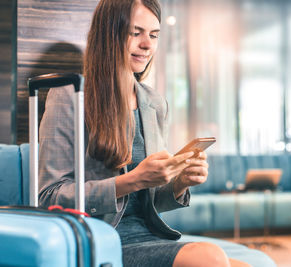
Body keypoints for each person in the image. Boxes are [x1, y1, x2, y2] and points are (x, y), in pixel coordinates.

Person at [38, 0, 250, 266]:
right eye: (135, 32)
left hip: (150, 237)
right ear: (109, 32)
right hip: (102, 241)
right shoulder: (69, 97)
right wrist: (133, 180)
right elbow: (48, 197)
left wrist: (180, 181)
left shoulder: (155, 103)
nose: (147, 44)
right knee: (209, 257)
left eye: (153, 35)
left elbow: (150, 203)